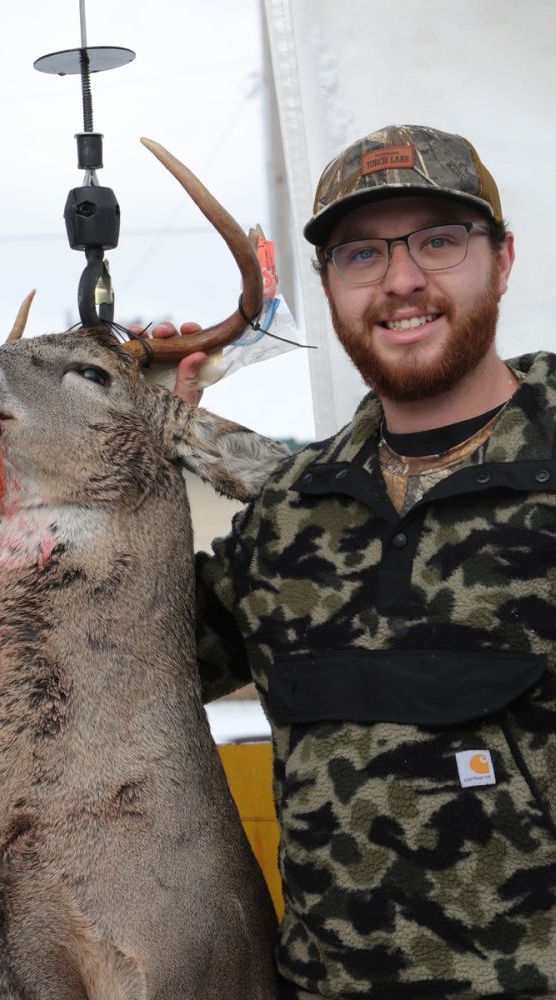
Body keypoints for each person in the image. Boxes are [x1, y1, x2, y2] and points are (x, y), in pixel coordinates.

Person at [163, 125, 556, 999]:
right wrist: (121, 447)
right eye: (360, 253)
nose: (400, 279)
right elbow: (126, 668)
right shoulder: (289, 512)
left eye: (439, 240)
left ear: (501, 261)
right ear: (329, 285)